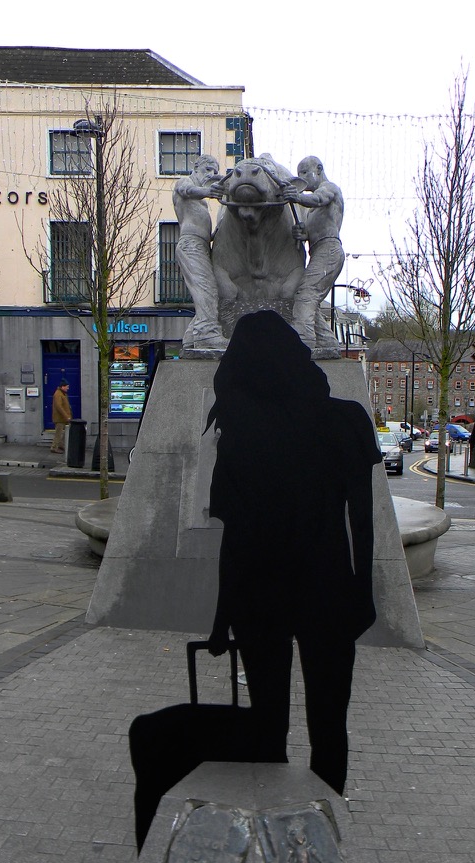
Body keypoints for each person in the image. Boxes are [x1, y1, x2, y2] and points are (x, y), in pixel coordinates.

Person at [206, 310, 382, 795]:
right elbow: (362, 523)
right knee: (330, 728)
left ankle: (276, 822)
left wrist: (222, 618)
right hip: (327, 589)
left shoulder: (240, 431)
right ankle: (323, 827)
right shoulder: (345, 420)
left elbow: (234, 536)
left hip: (259, 594)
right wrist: (362, 594)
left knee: (268, 727)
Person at [282, 156, 345, 351]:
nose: (301, 178)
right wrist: (302, 232)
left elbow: (318, 199)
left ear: (318, 169)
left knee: (305, 295)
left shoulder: (330, 188)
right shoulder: (311, 213)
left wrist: (298, 197)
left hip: (329, 250)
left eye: (303, 173)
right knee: (310, 298)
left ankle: (303, 344)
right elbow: (309, 233)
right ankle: (326, 341)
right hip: (318, 251)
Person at [172, 155, 230, 352]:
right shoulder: (185, 182)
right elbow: (187, 190)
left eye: (214, 171)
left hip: (201, 245)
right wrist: (208, 191)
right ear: (196, 167)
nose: (211, 174)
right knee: (206, 289)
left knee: (208, 289)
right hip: (191, 244)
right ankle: (206, 335)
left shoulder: (201, 201)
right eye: (208, 169)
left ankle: (191, 338)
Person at [50, 379, 72, 453]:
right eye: (67, 387)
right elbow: (59, 407)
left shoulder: (63, 394)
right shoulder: (58, 394)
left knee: (67, 431)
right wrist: (66, 416)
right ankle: (54, 447)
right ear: (62, 386)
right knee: (58, 433)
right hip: (60, 418)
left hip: (64, 418)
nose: (68, 388)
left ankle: (61, 445)